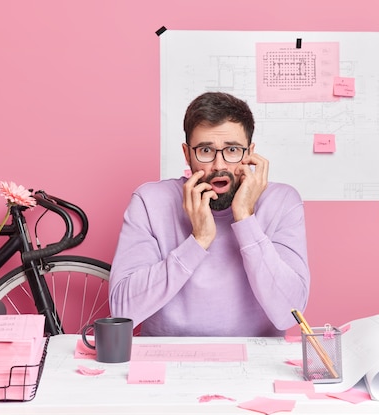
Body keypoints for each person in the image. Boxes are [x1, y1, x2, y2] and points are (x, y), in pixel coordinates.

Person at [109, 92, 310, 336]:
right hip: (169, 357)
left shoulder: (282, 202)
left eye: (232, 150)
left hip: (257, 360)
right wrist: (199, 240)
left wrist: (245, 219)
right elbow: (123, 310)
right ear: (187, 154)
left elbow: (289, 313)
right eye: (205, 150)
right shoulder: (150, 201)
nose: (219, 165)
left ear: (250, 153)